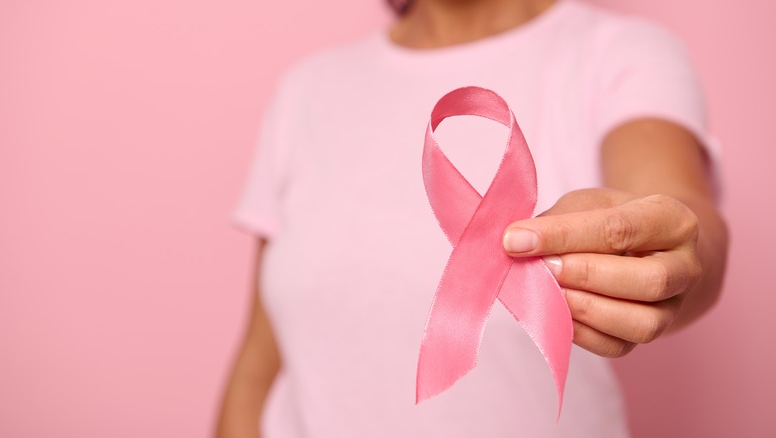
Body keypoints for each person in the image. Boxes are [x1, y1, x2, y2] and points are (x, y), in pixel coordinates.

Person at [216, 0, 729, 436]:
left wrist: (669, 253)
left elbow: (678, 213)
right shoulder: (306, 89)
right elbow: (258, 365)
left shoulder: (618, 54)